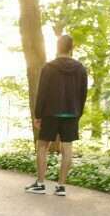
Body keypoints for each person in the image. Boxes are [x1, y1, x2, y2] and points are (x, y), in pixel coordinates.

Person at [25, 34, 88, 196]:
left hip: (50, 113)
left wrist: (38, 115)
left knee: (42, 146)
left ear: (57, 48)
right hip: (71, 113)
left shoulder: (49, 67)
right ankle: (61, 186)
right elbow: (83, 94)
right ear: (71, 48)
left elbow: (42, 92)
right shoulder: (80, 69)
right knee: (67, 148)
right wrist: (78, 113)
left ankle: (40, 184)